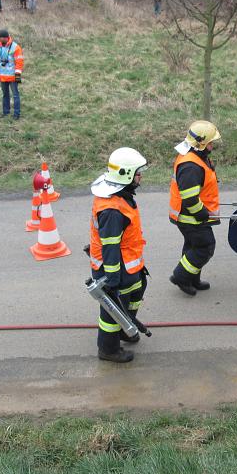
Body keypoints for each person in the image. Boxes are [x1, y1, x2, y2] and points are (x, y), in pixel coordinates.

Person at [89, 147, 149, 363]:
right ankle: (108, 349)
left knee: (136, 290)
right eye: (137, 172)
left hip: (129, 264)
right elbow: (110, 247)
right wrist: (111, 279)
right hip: (114, 267)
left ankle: (126, 327)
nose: (141, 175)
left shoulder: (120, 197)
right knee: (112, 308)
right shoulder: (113, 210)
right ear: (126, 175)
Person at [168, 121, 221, 296]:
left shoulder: (196, 156)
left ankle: (192, 278)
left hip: (191, 215)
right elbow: (190, 198)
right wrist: (201, 213)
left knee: (193, 246)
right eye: (210, 143)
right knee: (205, 246)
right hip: (191, 216)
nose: (213, 146)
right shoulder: (190, 166)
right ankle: (181, 277)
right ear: (200, 144)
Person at [0, 29, 24, 119]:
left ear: (7, 38)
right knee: (5, 94)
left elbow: (19, 61)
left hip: (13, 76)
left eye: (2, 38)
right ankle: (5, 112)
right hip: (2, 76)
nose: (1, 40)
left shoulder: (15, 47)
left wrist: (18, 74)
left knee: (15, 95)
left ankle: (16, 114)